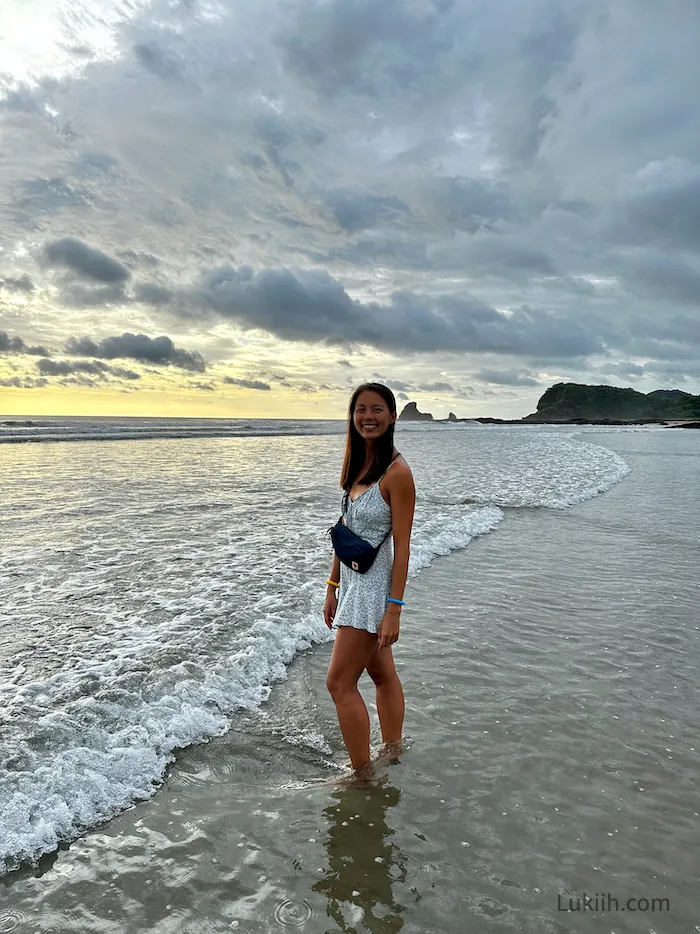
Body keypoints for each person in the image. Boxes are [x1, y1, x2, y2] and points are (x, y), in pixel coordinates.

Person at [323, 382, 416, 780]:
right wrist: (331, 586)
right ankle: (392, 750)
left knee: (339, 684)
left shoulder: (398, 474)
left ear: (392, 416)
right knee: (381, 674)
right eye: (361, 409)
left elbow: (403, 548)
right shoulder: (356, 465)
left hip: (374, 593)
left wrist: (393, 609)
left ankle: (360, 774)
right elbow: (344, 532)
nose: (368, 417)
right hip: (352, 586)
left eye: (377, 409)